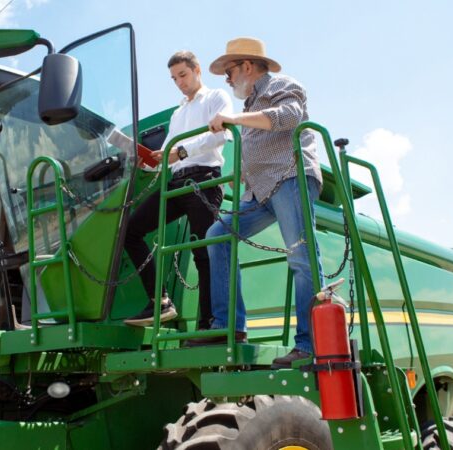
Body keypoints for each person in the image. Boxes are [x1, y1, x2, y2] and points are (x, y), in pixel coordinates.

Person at [184, 37, 324, 369]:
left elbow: (287, 118)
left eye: (229, 72)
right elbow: (259, 145)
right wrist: (244, 174)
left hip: (291, 177)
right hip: (261, 190)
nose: (227, 80)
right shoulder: (249, 106)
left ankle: (309, 345)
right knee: (218, 233)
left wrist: (231, 121)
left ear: (247, 66)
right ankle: (228, 324)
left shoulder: (282, 85)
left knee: (301, 257)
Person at [122, 51, 233, 329]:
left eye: (183, 75)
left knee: (202, 253)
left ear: (197, 70)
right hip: (174, 183)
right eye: (174, 79)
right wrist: (145, 162)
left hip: (203, 182)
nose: (179, 83)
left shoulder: (216, 98)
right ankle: (160, 301)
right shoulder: (178, 113)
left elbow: (221, 134)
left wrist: (181, 151)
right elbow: (167, 157)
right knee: (130, 230)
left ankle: (208, 325)